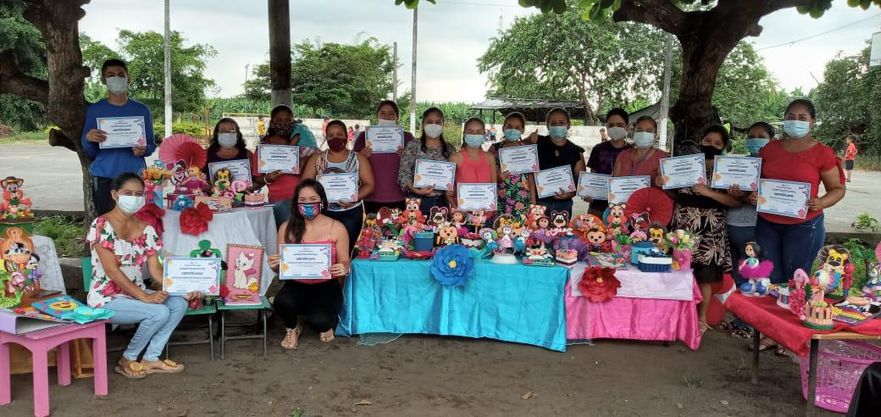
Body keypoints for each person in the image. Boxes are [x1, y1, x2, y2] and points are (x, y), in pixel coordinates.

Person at [86, 173, 201, 378]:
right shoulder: (101, 225)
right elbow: (112, 271)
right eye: (128, 193)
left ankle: (151, 357)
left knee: (178, 303)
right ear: (114, 194)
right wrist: (144, 297)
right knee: (159, 312)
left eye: (139, 194)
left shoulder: (146, 229)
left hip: (136, 294)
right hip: (106, 298)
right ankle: (127, 358)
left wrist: (182, 290)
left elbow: (155, 270)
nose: (134, 198)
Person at [753, 98, 845, 284]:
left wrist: (821, 202)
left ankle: (795, 304)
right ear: (784, 120)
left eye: (802, 118)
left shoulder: (822, 153)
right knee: (771, 279)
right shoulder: (770, 149)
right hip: (767, 224)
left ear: (812, 122)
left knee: (796, 280)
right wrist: (752, 194)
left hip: (804, 226)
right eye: (791, 117)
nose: (796, 121)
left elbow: (837, 189)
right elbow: (756, 181)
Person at [659, 125, 740, 334]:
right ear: (700, 141)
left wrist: (708, 192)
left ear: (724, 147)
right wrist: (664, 184)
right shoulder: (686, 164)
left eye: (717, 143)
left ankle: (701, 319)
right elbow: (676, 194)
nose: (711, 145)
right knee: (678, 271)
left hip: (711, 229)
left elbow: (734, 202)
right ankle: (675, 317)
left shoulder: (726, 170)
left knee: (705, 276)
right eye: (707, 141)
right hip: (682, 225)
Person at [269, 179, 350, 349]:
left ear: (322, 201)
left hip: (327, 285)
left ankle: (321, 320)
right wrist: (275, 265)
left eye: (313, 199)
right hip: (296, 284)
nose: (308, 204)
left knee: (320, 322)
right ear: (295, 203)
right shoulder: (286, 227)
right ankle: (292, 327)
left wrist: (343, 267)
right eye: (302, 200)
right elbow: (281, 269)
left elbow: (345, 261)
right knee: (281, 303)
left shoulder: (337, 228)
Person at [81, 59, 156, 216]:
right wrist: (88, 138)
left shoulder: (142, 110)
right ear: (103, 80)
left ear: (129, 78)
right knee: (107, 224)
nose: (116, 78)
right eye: (111, 75)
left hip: (135, 176)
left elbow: (151, 144)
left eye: (121, 74)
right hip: (104, 176)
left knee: (136, 222)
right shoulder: (95, 110)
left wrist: (143, 150)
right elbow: (89, 151)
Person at [302, 120, 374, 253]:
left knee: (345, 252)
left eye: (340, 134)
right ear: (326, 137)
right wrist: (317, 199)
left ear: (346, 136)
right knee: (325, 251)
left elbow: (369, 185)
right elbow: (305, 185)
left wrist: (355, 198)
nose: (335, 138)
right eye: (331, 135)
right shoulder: (316, 159)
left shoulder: (358, 159)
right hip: (322, 213)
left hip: (351, 213)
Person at [251, 104, 317, 226]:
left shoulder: (300, 143)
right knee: (288, 234)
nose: (284, 123)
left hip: (303, 200)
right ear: (272, 123)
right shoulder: (264, 147)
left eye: (288, 120)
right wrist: (267, 178)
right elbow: (257, 179)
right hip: (279, 202)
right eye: (279, 120)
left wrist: (305, 160)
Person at [354, 100, 413, 213]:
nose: (387, 117)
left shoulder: (407, 137)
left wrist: (407, 157)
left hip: (399, 196)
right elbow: (352, 164)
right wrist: (361, 156)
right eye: (383, 113)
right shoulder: (364, 136)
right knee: (373, 225)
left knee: (399, 225)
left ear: (397, 117)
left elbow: (416, 165)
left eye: (391, 113)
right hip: (371, 196)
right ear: (377, 115)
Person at [399, 107, 456, 214]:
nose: (433, 125)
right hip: (416, 202)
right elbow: (403, 174)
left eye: (438, 122)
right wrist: (417, 190)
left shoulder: (450, 149)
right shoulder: (413, 145)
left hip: (442, 202)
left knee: (440, 225)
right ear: (423, 124)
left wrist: (452, 189)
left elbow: (454, 177)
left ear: (443, 125)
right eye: (429, 122)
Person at [534, 108, 585, 217]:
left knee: (561, 228)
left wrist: (570, 194)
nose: (557, 126)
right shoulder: (537, 144)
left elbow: (581, 183)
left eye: (561, 123)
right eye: (553, 123)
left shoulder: (576, 151)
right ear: (547, 126)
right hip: (539, 203)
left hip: (563, 205)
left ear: (568, 125)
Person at [585, 108, 633, 217]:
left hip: (622, 209)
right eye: (611, 125)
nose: (615, 128)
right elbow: (593, 176)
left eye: (619, 125)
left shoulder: (632, 152)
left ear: (627, 126)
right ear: (606, 127)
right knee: (592, 228)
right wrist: (589, 192)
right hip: (597, 207)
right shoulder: (598, 149)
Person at [494, 112, 536, 219]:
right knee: (499, 226)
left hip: (521, 200)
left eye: (517, 127)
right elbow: (488, 174)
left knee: (521, 228)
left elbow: (531, 178)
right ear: (503, 127)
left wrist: (533, 204)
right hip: (500, 199)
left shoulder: (528, 150)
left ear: (522, 130)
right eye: (509, 126)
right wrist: (498, 176)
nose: (513, 130)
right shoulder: (494, 148)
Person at [449, 117, 498, 209]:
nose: (475, 135)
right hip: (462, 214)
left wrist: (489, 210)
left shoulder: (490, 157)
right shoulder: (455, 158)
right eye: (470, 132)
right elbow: (448, 192)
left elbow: (493, 187)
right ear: (464, 134)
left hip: (486, 213)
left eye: (479, 132)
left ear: (484, 134)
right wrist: (457, 210)